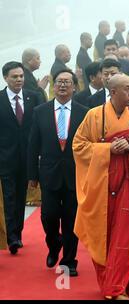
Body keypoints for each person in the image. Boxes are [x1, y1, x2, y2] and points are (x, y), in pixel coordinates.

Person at [73, 74, 129, 300]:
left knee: (126, 238)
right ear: (113, 92)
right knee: (105, 238)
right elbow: (78, 146)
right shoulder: (94, 116)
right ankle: (110, 283)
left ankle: (116, 287)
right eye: (127, 89)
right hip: (101, 187)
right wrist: (107, 149)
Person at [27, 69, 88, 277]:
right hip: (49, 173)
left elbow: (88, 145)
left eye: (67, 82)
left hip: (75, 174)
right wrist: (32, 175)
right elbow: (33, 145)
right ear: (54, 86)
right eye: (59, 82)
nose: (63, 85)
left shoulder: (84, 112)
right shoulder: (40, 111)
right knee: (48, 216)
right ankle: (54, 244)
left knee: (72, 219)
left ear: (74, 86)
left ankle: (70, 261)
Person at [0, 61, 43, 255]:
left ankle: (17, 232)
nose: (19, 80)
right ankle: (12, 237)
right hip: (5, 158)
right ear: (5, 78)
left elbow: (39, 127)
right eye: (14, 77)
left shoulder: (33, 97)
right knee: (8, 196)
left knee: (20, 197)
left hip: (27, 158)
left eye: (21, 76)